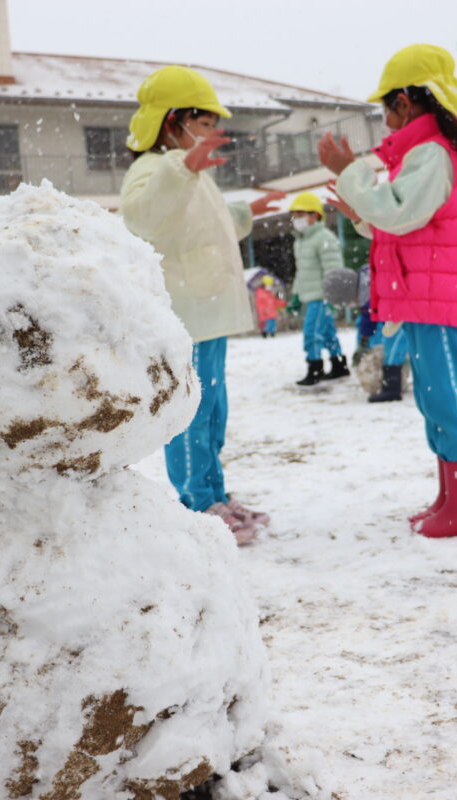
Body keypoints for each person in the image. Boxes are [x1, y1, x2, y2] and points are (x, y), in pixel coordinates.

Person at [320, 44, 457, 538]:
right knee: (434, 402)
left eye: (386, 108)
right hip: (428, 298)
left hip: (440, 302)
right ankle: (450, 497)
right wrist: (361, 213)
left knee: (447, 401)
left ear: (406, 100)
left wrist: (350, 172)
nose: (386, 122)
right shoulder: (427, 153)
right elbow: (408, 225)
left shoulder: (432, 153)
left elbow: (400, 213)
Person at [120, 65, 285, 545]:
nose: (212, 134)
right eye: (205, 123)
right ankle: (196, 504)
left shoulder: (188, 172)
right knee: (189, 411)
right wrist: (183, 167)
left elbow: (202, 227)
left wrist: (243, 212)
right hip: (184, 314)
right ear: (174, 121)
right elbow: (144, 216)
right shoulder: (153, 169)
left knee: (212, 409)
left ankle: (214, 493)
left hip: (207, 309)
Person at [288, 192, 350, 385]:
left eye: (300, 214)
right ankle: (339, 365)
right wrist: (296, 295)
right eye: (294, 215)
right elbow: (302, 271)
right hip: (310, 295)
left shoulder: (324, 237)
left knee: (312, 332)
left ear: (314, 215)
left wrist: (333, 295)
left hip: (322, 295)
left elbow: (333, 268)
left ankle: (315, 368)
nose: (296, 219)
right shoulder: (301, 241)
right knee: (327, 332)